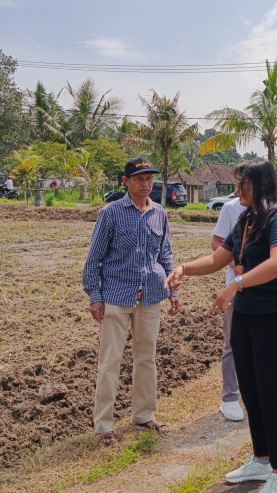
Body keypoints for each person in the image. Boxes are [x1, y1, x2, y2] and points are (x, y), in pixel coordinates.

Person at [165, 157, 277, 493]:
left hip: (275, 318)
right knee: (251, 392)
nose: (236, 188)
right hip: (247, 317)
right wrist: (184, 267)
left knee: (274, 394)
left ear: (261, 184)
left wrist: (236, 284)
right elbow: (216, 259)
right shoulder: (246, 220)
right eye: (236, 183)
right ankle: (262, 458)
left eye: (243, 183)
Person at [83, 157, 181, 447]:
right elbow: (94, 259)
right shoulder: (111, 214)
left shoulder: (159, 214)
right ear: (125, 182)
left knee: (146, 358)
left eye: (149, 178)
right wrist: (95, 296)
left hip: (151, 294)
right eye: (139, 178)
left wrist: (173, 290)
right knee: (110, 361)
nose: (146, 183)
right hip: (116, 295)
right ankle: (104, 426)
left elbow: (166, 256)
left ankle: (143, 415)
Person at [210, 183, 248, 422]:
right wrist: (234, 263)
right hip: (235, 288)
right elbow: (217, 242)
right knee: (232, 342)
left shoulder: (276, 213)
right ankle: (230, 398)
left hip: (263, 288)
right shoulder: (231, 209)